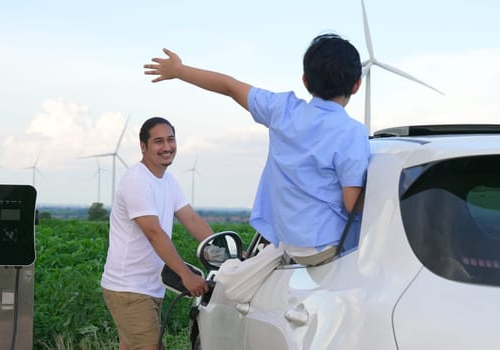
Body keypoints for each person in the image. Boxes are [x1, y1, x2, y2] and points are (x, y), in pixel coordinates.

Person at [144, 33, 370, 266]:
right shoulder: (352, 132)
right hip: (329, 247)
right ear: (356, 85)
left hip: (289, 243)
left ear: (305, 80)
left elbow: (229, 86)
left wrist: (178, 70)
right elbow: (353, 203)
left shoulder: (281, 109)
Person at [100, 116, 214, 350]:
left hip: (148, 286)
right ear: (144, 147)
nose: (167, 147)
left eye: (171, 140)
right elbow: (154, 232)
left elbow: (191, 219)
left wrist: (219, 248)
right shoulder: (136, 180)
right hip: (129, 288)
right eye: (159, 141)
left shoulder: (168, 181)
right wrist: (186, 275)